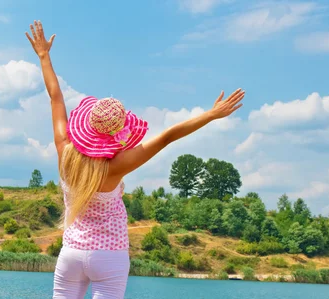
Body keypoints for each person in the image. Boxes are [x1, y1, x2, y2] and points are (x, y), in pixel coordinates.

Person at [25, 20, 245, 299]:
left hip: (71, 254)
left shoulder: (64, 151)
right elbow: (167, 137)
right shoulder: (116, 168)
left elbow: (55, 98)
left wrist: (44, 55)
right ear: (114, 136)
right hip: (110, 257)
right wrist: (211, 115)